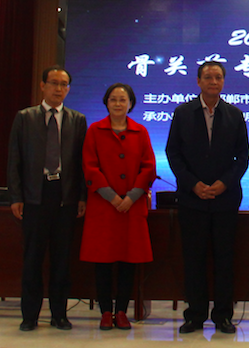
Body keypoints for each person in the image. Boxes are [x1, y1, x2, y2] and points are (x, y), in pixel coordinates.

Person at [166, 61, 249, 334]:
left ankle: (223, 316)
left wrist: (225, 183)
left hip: (225, 200)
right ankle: (195, 315)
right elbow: (173, 153)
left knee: (225, 260)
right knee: (194, 260)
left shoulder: (234, 114)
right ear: (198, 81)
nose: (213, 81)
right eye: (208, 77)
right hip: (192, 200)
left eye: (218, 77)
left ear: (223, 82)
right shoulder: (183, 113)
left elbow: (243, 156)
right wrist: (193, 184)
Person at [6, 66, 87, 332]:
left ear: (68, 89)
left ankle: (59, 315)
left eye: (64, 84)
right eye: (54, 83)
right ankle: (29, 316)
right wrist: (16, 196)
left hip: (65, 196)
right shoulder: (25, 117)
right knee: (33, 258)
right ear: (42, 86)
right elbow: (15, 159)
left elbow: (82, 163)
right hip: (34, 195)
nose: (58, 89)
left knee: (62, 260)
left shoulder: (77, 120)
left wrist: (82, 196)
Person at [79, 82, 157, 331]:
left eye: (123, 100)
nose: (118, 104)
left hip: (131, 207)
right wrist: (112, 197)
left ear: (131, 104)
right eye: (113, 99)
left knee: (128, 260)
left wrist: (131, 196)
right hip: (104, 207)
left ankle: (122, 311)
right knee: (102, 261)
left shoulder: (140, 131)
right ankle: (105, 311)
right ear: (106, 102)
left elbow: (148, 167)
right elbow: (90, 167)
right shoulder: (95, 130)